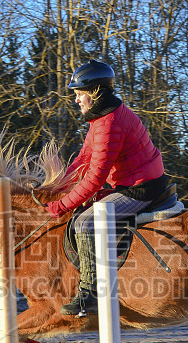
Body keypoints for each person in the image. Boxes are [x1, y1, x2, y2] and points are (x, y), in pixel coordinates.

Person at [45, 60, 169, 316]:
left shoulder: (109, 124)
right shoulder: (101, 118)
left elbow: (94, 179)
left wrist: (61, 205)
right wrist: (58, 185)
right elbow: (84, 159)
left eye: (80, 94)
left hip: (142, 189)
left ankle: (90, 293)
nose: (76, 100)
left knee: (85, 223)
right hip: (130, 182)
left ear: (95, 93)